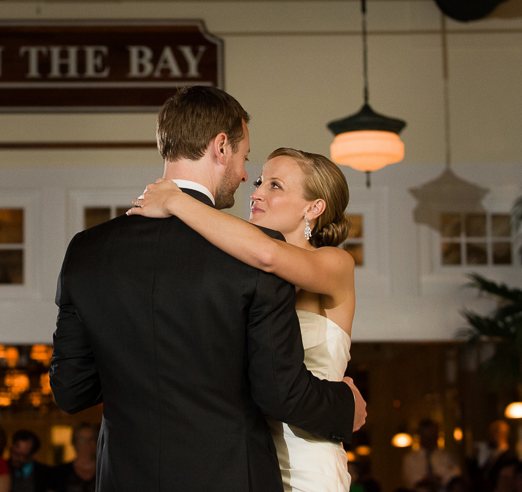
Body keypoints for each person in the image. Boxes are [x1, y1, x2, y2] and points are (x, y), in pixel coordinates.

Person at [49, 85, 366, 492]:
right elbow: (277, 390)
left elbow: (71, 390)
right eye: (245, 158)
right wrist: (346, 406)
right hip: (233, 475)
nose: (247, 177)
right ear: (221, 147)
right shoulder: (248, 257)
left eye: (273, 184)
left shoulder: (86, 251)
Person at [130, 146, 357, 492]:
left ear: (314, 207)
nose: (257, 191)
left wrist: (177, 201)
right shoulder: (244, 274)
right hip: (245, 461)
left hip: (308, 463)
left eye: (275, 186)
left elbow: (268, 253)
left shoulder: (336, 264)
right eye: (261, 181)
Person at [402, 420, 461, 491]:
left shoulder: (446, 456)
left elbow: (455, 474)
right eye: (430, 434)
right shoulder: (410, 458)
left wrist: (440, 479)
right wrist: (428, 481)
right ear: (421, 436)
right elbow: (413, 481)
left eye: (435, 434)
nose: (435, 437)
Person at [47, 423, 98, 492]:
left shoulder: (105, 472)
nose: (87, 443)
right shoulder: (58, 472)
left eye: (91, 439)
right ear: (74, 442)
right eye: (82, 439)